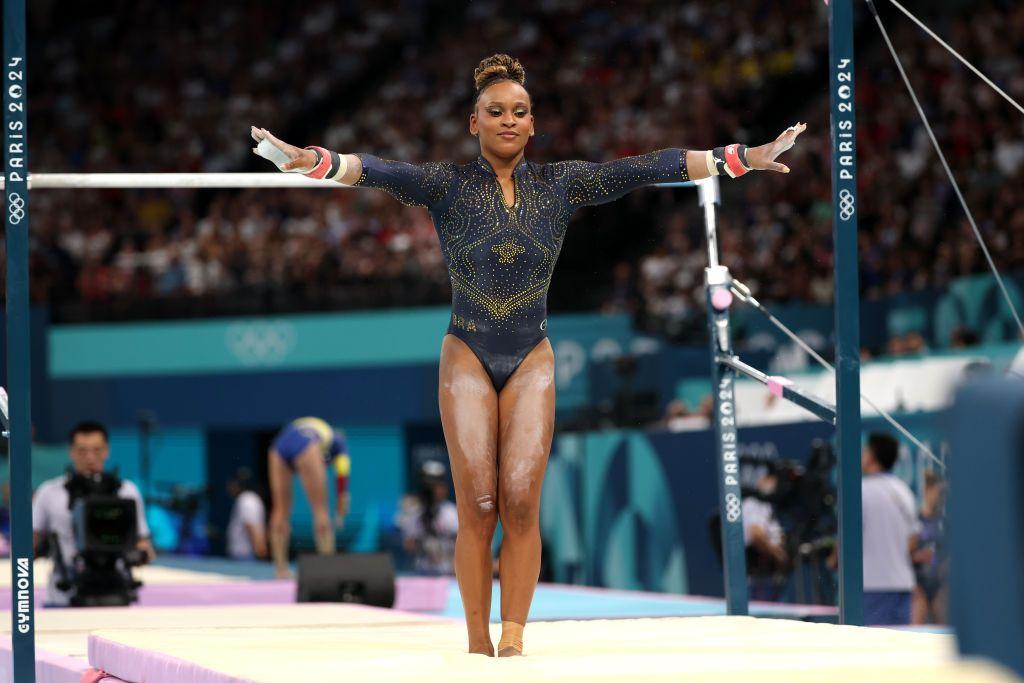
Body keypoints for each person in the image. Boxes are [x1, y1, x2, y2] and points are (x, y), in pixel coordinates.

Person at [252, 53, 804, 655]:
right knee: (480, 503)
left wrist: (742, 157)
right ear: (474, 123)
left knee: (519, 498)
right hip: (466, 349)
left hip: (530, 353)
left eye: (519, 112)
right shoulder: (446, 185)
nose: (508, 120)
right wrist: (307, 160)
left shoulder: (560, 184)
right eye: (495, 112)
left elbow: (648, 168)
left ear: (533, 124)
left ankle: (513, 641)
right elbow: (374, 170)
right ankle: (475, 642)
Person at [31, 421, 156, 606]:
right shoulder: (49, 492)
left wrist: (142, 553)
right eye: (82, 451)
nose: (90, 457)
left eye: (97, 450)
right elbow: (29, 547)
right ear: (71, 451)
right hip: (64, 595)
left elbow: (143, 543)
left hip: (117, 594)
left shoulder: (127, 492)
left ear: (107, 451)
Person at [267, 417, 350, 579]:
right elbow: (342, 475)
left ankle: (280, 569)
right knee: (321, 510)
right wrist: (342, 500)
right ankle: (328, 568)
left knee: (280, 510)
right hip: (306, 445)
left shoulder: (318, 429)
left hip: (279, 445)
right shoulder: (340, 445)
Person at [861, 432, 920, 626]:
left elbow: (849, 538)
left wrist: (833, 560)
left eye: (864, 451)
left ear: (870, 457)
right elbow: (913, 540)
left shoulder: (860, 490)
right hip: (903, 585)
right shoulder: (904, 490)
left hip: (872, 586)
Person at [396, 460, 459, 575]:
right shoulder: (414, 512)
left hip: (449, 574)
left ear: (443, 487)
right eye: (428, 486)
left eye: (435, 486)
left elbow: (462, 545)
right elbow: (408, 545)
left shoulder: (451, 512)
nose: (431, 491)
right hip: (421, 574)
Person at [742, 472, 788, 601]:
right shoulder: (754, 503)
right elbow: (756, 535)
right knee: (760, 616)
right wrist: (778, 555)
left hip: (772, 573)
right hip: (759, 574)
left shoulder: (770, 505)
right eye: (769, 480)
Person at [912, 470, 947, 624]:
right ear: (926, 490)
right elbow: (905, 552)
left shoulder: (943, 521)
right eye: (936, 492)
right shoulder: (914, 518)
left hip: (938, 583)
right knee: (914, 631)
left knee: (944, 629)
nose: (939, 497)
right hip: (918, 583)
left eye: (941, 493)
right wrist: (917, 556)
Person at [226, 467, 267, 561]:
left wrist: (260, 548)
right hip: (241, 555)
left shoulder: (247, 499)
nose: (229, 486)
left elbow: (251, 525)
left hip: (245, 555)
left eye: (233, 483)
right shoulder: (246, 499)